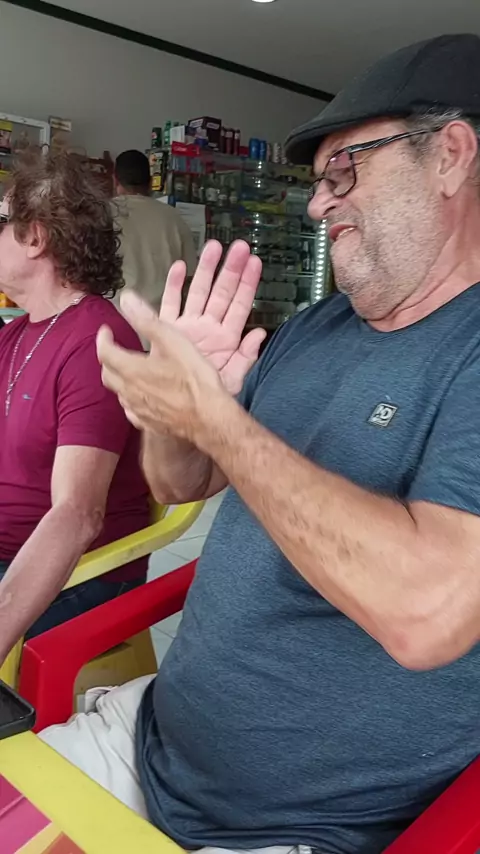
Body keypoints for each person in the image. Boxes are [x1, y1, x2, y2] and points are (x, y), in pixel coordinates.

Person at [41, 33, 480, 854]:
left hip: (297, 825)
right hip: (148, 740)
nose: (318, 206)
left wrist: (222, 423)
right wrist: (179, 415)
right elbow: (180, 483)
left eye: (345, 170)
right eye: (317, 184)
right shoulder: (314, 329)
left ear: (451, 156)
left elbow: (429, 615)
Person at [0, 150, 150, 663]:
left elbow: (77, 514)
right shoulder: (15, 335)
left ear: (36, 237)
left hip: (80, 574)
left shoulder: (96, 342)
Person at [112, 149, 197, 318]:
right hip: (160, 323)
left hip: (112, 321)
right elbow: (189, 279)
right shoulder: (174, 219)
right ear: (151, 182)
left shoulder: (102, 215)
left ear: (115, 180)